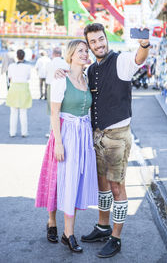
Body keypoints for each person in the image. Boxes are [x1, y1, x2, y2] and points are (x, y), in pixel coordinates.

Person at [55, 23, 150, 258]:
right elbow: (75, 81)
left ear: (106, 38)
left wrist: (145, 44)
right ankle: (102, 227)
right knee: (102, 185)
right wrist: (61, 71)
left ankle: (116, 238)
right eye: (93, 42)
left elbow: (139, 58)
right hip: (95, 135)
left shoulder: (121, 61)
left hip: (117, 136)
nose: (98, 44)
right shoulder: (90, 70)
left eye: (101, 39)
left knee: (117, 187)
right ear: (89, 45)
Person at [35, 39, 98, 253]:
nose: (85, 53)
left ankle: (67, 233)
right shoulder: (61, 79)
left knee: (74, 182)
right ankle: (53, 222)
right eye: (80, 50)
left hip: (82, 135)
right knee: (58, 179)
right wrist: (59, 143)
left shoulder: (87, 79)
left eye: (86, 50)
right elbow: (54, 113)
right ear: (70, 55)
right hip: (65, 134)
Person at [6, 49, 32, 137]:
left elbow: (9, 77)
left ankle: (12, 132)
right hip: (24, 88)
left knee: (13, 112)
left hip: (14, 88)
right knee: (23, 112)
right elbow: (28, 77)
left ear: (16, 56)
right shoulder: (27, 66)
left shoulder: (11, 66)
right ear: (24, 56)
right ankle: (24, 132)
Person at [45, 47, 70, 138]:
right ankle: (60, 131)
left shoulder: (49, 63)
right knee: (62, 110)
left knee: (52, 111)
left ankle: (52, 131)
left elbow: (45, 75)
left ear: (53, 54)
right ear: (60, 54)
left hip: (51, 86)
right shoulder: (65, 63)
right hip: (64, 86)